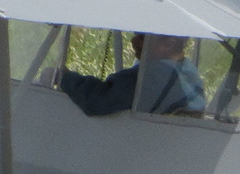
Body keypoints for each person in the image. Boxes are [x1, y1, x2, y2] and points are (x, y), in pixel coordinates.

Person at [59, 32, 206, 117]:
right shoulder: (189, 72)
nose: (133, 41)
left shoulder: (150, 77)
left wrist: (64, 78)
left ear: (169, 43)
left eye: (142, 38)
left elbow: (98, 101)